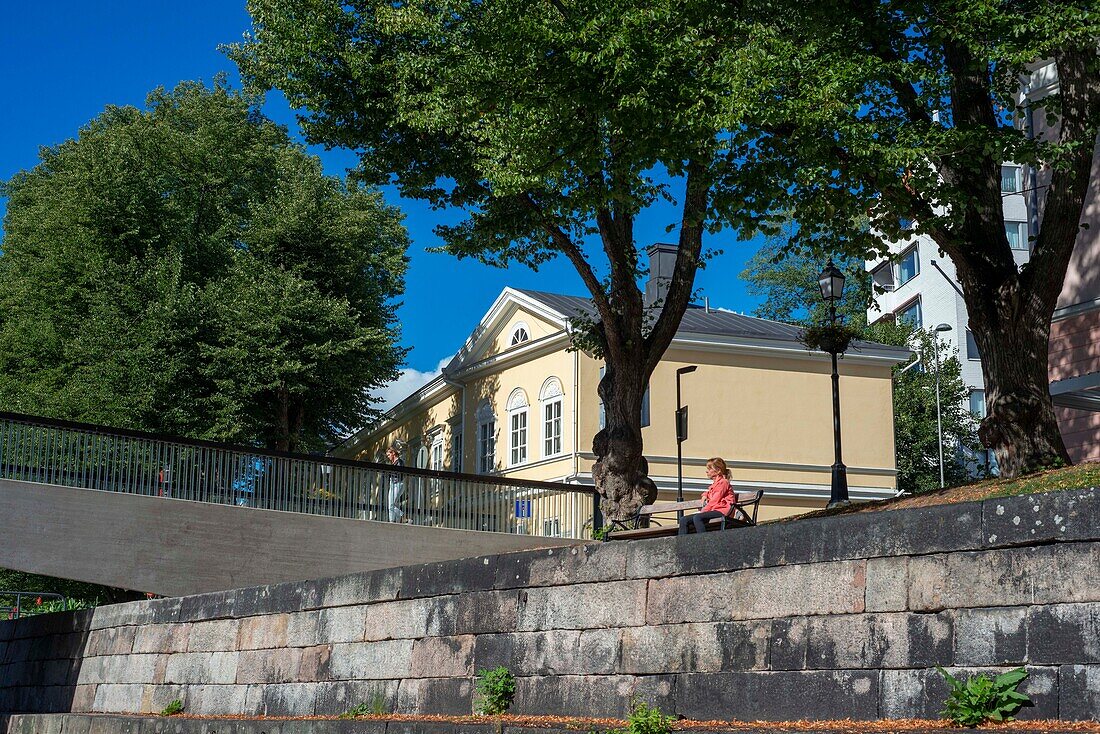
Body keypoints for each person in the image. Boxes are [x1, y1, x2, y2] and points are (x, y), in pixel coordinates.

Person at [678, 457, 737, 536]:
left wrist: (703, 511)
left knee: (698, 518)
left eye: (709, 469)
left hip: (723, 511)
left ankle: (704, 541)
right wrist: (705, 495)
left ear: (718, 471)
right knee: (683, 520)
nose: (707, 471)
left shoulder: (723, 482)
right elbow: (709, 492)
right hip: (714, 510)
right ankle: (682, 545)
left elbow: (714, 500)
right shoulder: (715, 484)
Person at [384, 444, 407, 523]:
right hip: (392, 483)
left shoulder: (399, 462)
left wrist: (390, 472)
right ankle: (392, 521)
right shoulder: (393, 463)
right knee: (391, 504)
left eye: (389, 454)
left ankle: (403, 516)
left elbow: (400, 473)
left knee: (391, 505)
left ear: (393, 453)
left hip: (398, 483)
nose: (388, 457)